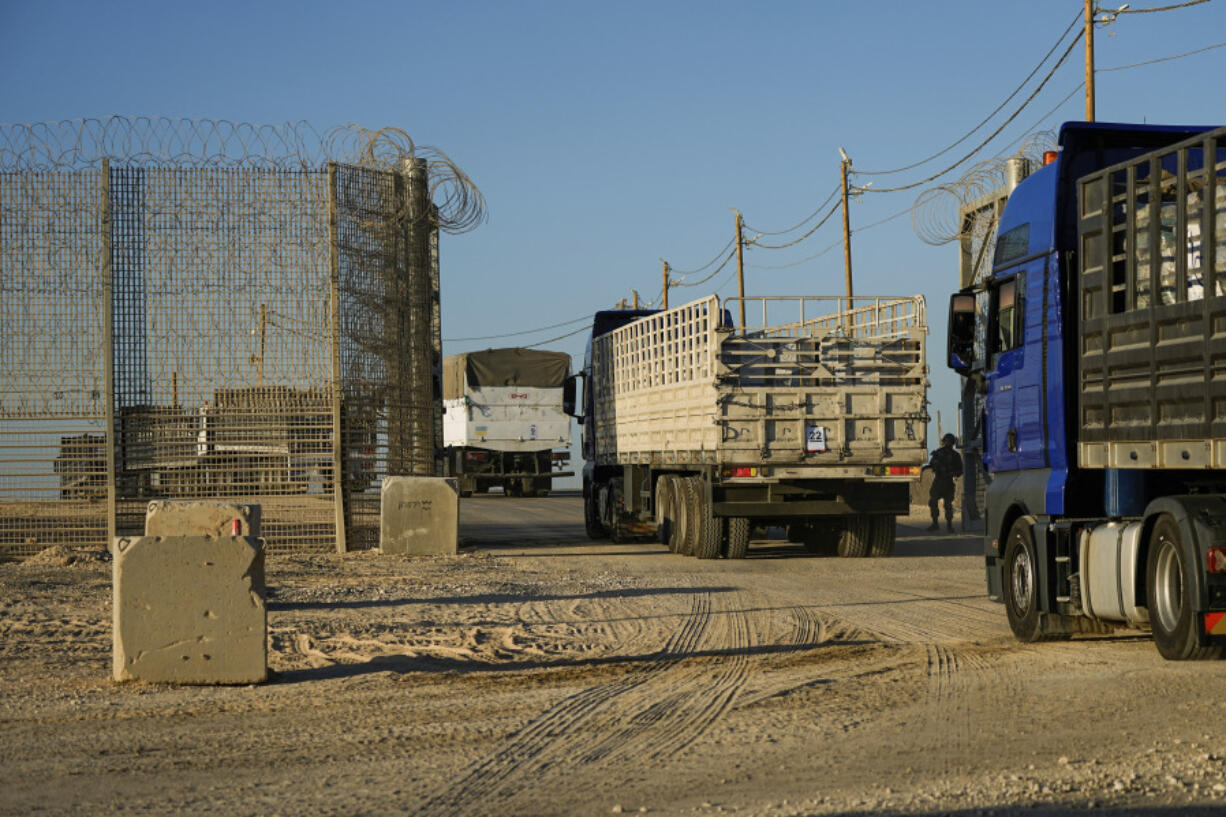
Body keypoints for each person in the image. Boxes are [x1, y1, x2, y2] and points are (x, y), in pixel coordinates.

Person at [926, 433, 963, 533]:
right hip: (939, 480)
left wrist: (952, 473)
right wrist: (936, 465)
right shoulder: (938, 453)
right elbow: (931, 464)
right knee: (933, 501)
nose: (948, 443)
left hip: (948, 482)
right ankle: (935, 523)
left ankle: (949, 525)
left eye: (949, 441)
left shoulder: (955, 455)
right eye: (947, 441)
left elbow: (960, 470)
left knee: (948, 504)